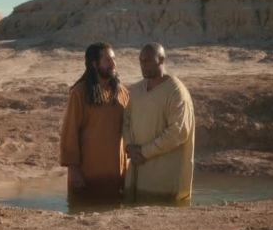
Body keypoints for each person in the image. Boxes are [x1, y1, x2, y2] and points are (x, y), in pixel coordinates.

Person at [124, 42, 195, 202]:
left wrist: (144, 152)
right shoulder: (136, 91)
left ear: (161, 60)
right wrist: (129, 147)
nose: (143, 65)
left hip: (164, 180)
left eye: (148, 60)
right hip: (137, 171)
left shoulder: (176, 92)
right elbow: (125, 121)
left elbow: (177, 133)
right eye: (141, 60)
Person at [59, 42, 129, 202]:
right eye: (108, 60)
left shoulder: (122, 92)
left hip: (116, 174)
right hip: (87, 175)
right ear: (94, 64)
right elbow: (70, 132)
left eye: (114, 59)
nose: (113, 64)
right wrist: (74, 169)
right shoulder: (79, 93)